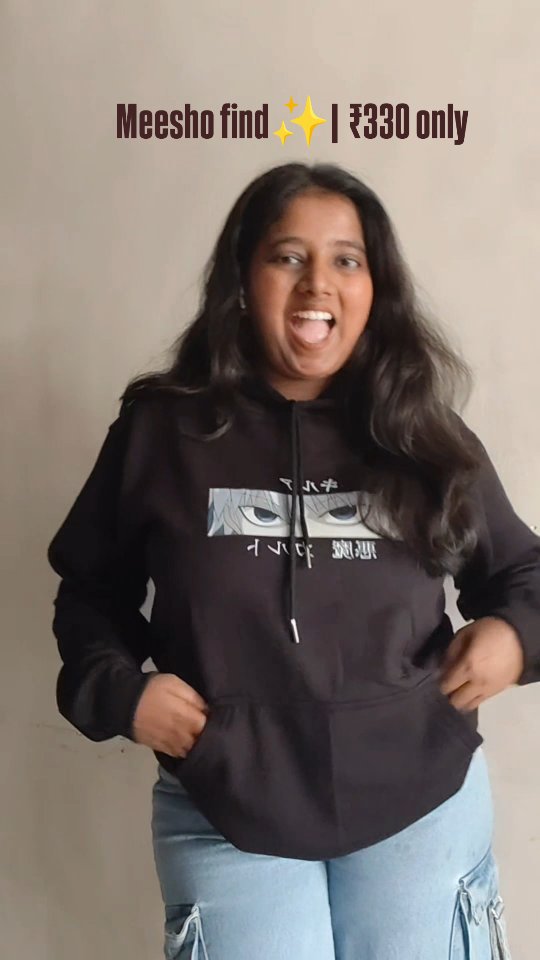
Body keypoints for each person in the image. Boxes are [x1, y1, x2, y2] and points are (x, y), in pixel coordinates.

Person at [46, 161, 540, 959]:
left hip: (419, 800)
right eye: (288, 256)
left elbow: (525, 575)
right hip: (226, 803)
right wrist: (122, 695)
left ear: (375, 288)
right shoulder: (162, 432)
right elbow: (89, 594)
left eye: (347, 260)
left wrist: (515, 638)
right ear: (243, 279)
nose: (319, 284)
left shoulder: (420, 430)